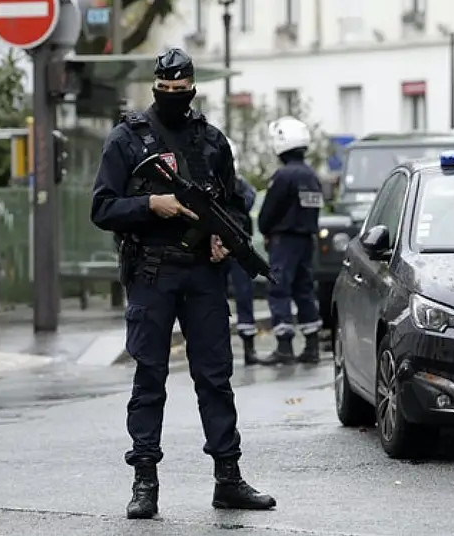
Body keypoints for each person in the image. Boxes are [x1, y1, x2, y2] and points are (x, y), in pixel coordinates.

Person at [90, 47, 276, 520]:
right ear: (156, 87)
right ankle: (145, 481)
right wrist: (153, 205)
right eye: (165, 90)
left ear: (193, 88)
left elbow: (234, 206)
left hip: (203, 274)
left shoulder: (212, 141)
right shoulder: (128, 140)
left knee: (215, 377)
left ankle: (228, 478)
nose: (174, 96)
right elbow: (103, 208)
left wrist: (225, 241)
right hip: (152, 272)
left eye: (181, 90)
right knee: (149, 377)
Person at [257, 116, 324, 366]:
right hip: (306, 240)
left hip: (284, 242)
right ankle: (312, 345)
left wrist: (265, 228)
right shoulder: (311, 176)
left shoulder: (283, 176)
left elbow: (268, 213)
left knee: (279, 289)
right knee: (304, 290)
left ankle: (284, 347)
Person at [224, 138, 260, 365]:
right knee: (220, 300)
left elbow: (248, 199)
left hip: (237, 250)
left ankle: (248, 348)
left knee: (244, 297)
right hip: (222, 251)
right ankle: (240, 349)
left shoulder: (239, 187)